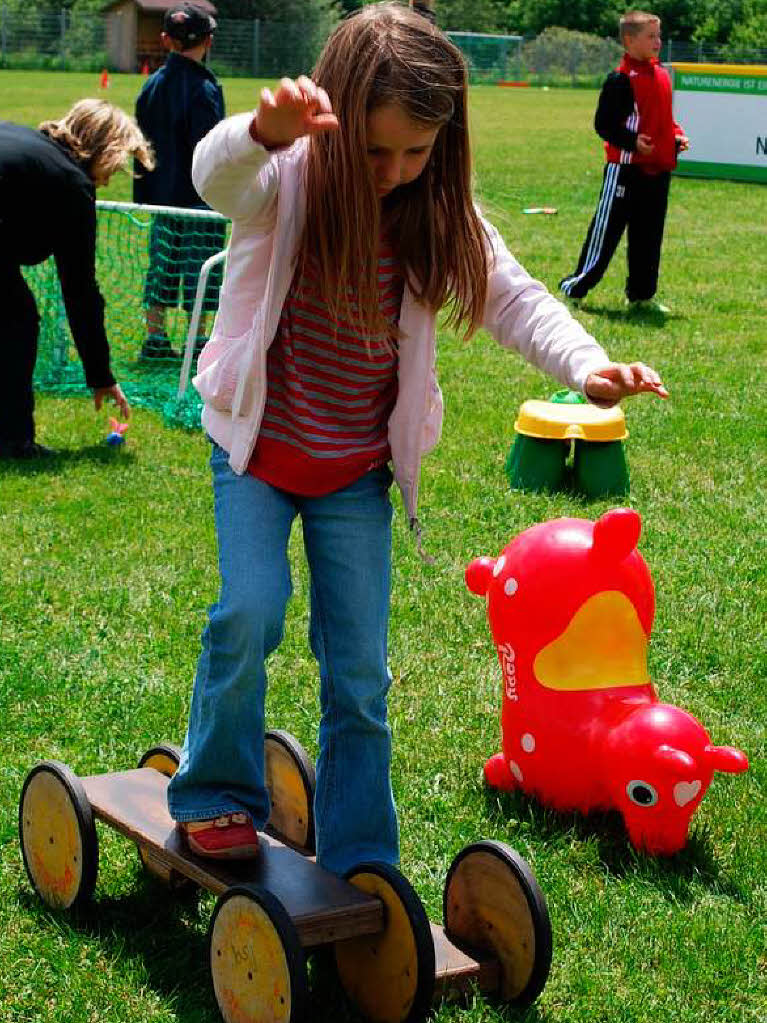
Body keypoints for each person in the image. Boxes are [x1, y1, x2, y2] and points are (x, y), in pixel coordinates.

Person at [167, 3, 669, 872]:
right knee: (248, 611)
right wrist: (259, 129)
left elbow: (512, 298)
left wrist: (585, 366)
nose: (394, 170)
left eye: (415, 151)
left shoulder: (436, 213)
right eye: (374, 150)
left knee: (360, 674)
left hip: (354, 474)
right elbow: (214, 179)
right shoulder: (282, 179)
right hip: (256, 458)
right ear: (333, 119)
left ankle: (360, 849)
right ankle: (215, 791)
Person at [0, 99, 153, 459]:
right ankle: (12, 440)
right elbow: (80, 291)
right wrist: (101, 375)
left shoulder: (21, 137)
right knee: (17, 319)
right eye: (115, 168)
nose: (110, 178)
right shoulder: (70, 186)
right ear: (107, 151)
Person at [559, 10, 688, 312]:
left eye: (659, 35)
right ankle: (576, 287)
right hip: (625, 171)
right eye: (651, 36)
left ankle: (642, 295)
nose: (658, 41)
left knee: (649, 234)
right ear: (630, 40)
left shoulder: (661, 75)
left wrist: (675, 137)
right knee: (606, 233)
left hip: (657, 170)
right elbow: (604, 124)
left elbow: (662, 120)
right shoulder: (620, 80)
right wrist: (632, 143)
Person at [134, 1, 226, 360]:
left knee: (162, 264)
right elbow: (211, 148)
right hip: (199, 197)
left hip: (161, 196)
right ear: (209, 41)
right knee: (201, 268)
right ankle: (196, 340)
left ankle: (155, 336)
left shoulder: (151, 85)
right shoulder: (205, 89)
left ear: (164, 40)